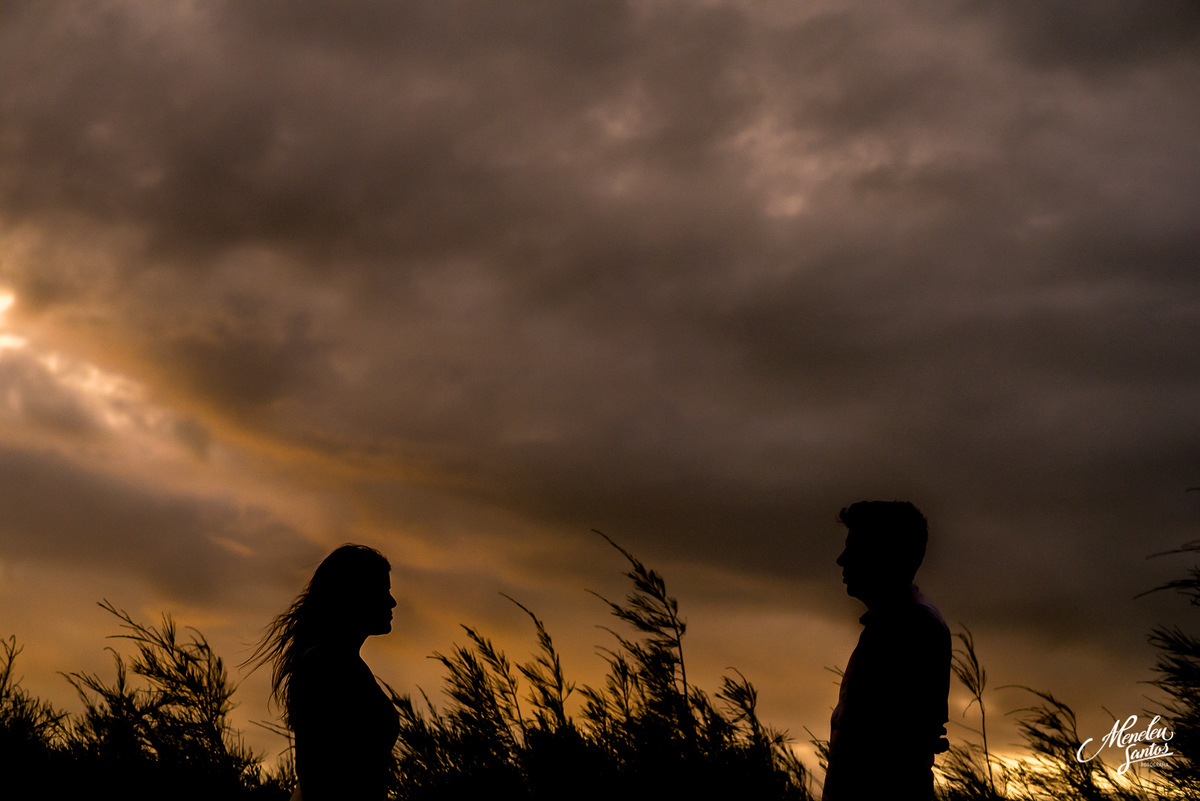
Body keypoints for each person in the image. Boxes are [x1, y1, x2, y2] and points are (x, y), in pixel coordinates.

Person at [247, 544, 400, 801]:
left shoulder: (342, 663)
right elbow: (315, 772)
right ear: (354, 595)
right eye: (383, 591)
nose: (392, 601)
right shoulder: (324, 665)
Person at [822, 501, 950, 801]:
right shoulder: (894, 623)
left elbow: (895, 739)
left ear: (882, 555)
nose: (841, 560)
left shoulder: (911, 626)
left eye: (853, 548)